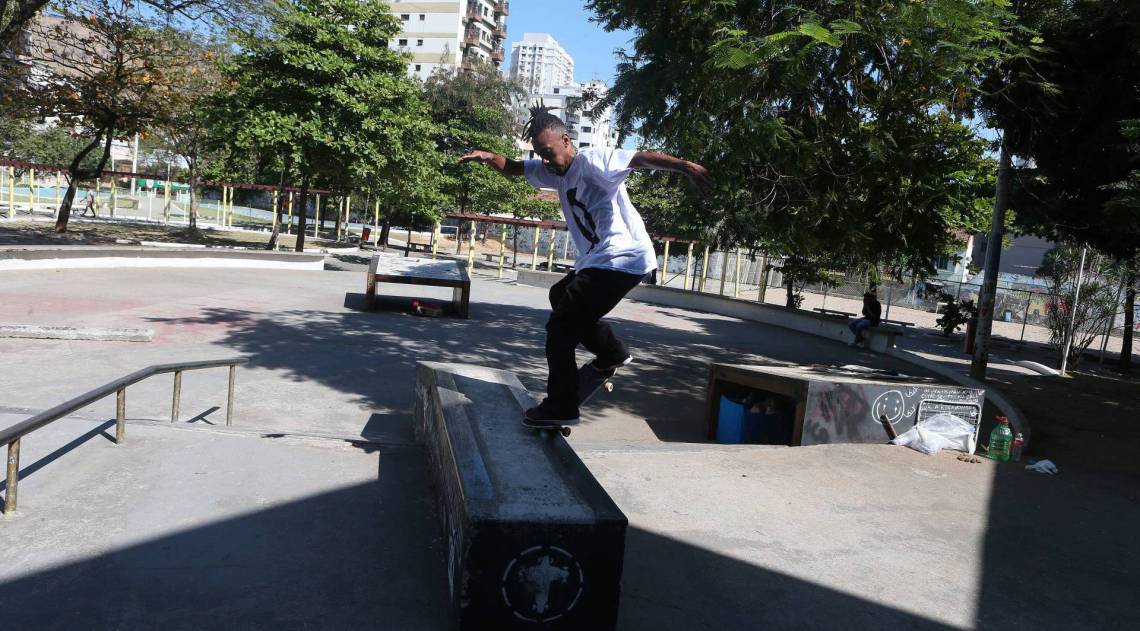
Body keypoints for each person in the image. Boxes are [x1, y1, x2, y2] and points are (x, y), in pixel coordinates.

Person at [459, 105, 713, 426]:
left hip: (620, 257)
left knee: (560, 330)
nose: (546, 162)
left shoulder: (593, 161)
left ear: (566, 141)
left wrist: (684, 166)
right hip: (599, 261)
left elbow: (640, 158)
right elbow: (513, 167)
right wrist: (486, 156)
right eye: (540, 155)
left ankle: (561, 407)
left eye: (549, 152)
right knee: (558, 296)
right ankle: (611, 352)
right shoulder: (553, 171)